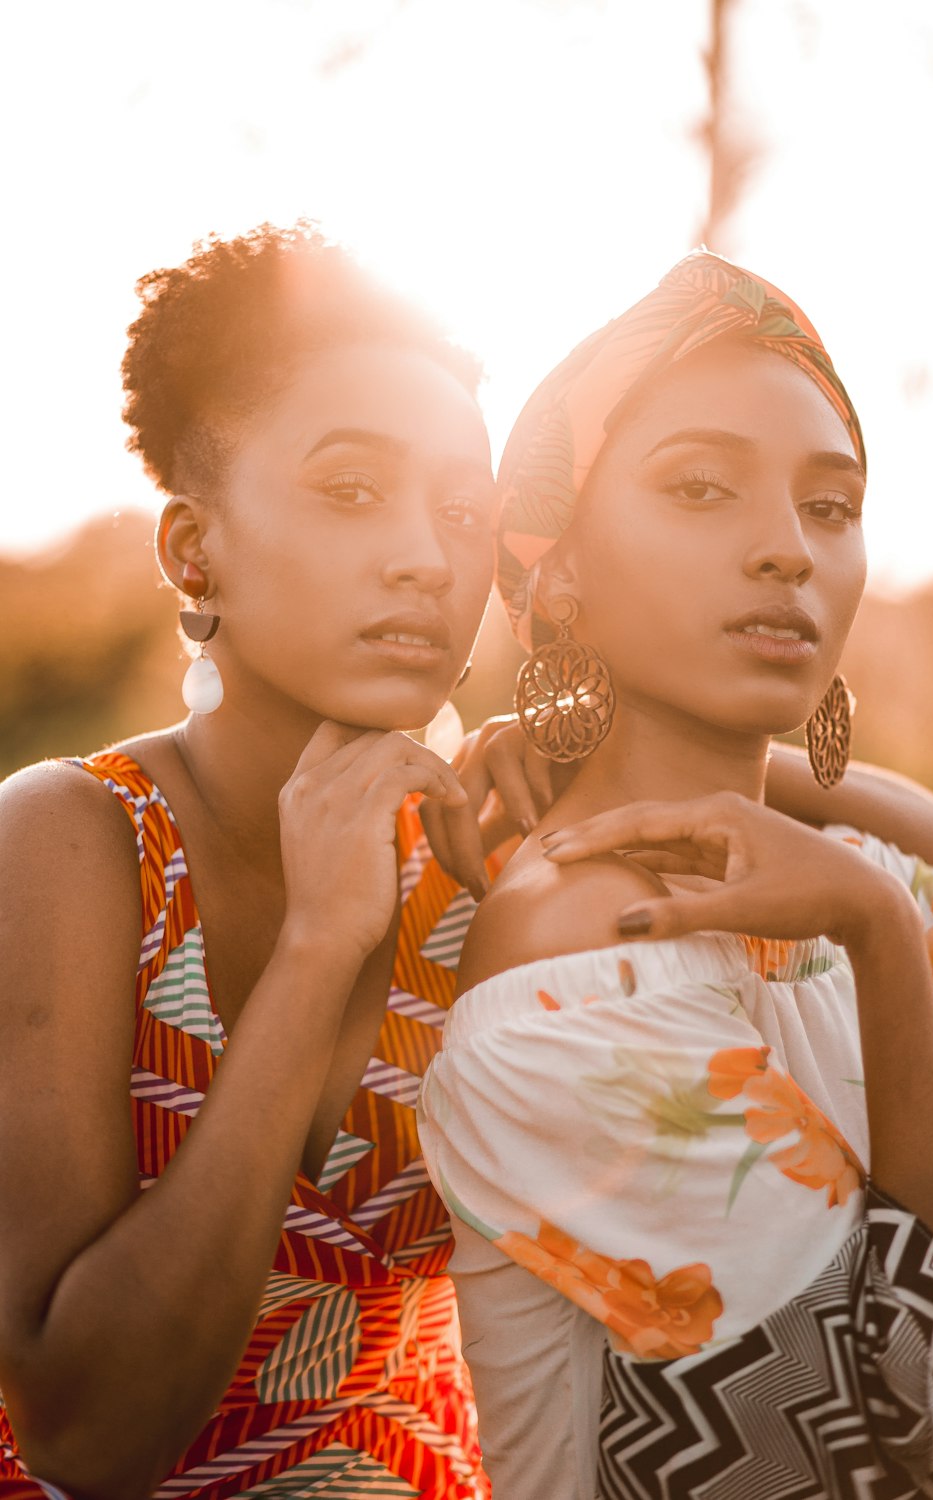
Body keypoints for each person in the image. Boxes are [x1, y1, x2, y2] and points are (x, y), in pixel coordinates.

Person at [417, 251, 933, 1499]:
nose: (786, 551)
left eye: (828, 508)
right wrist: (879, 944)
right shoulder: (574, 966)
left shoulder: (839, 871)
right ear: (555, 567)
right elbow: (932, 1420)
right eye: (700, 489)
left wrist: (796, 800)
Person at [0, 223, 501, 1500]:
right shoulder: (72, 845)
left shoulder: (481, 859)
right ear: (191, 550)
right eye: (350, 490)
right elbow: (85, 1435)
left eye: (462, 509)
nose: (426, 557)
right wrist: (318, 944)